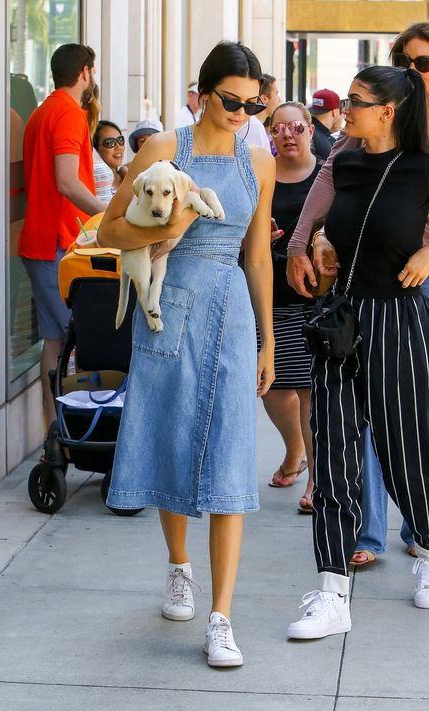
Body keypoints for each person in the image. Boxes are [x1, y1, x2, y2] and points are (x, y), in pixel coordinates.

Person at [97, 40, 275, 667]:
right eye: (231, 100)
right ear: (202, 94)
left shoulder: (261, 162)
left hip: (229, 314)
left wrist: (268, 337)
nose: (243, 112)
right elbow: (109, 229)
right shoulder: (163, 149)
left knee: (230, 455)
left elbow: (257, 256)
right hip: (168, 306)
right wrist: (168, 229)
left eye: (254, 102)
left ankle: (222, 617)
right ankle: (179, 567)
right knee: (172, 440)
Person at [287, 64, 429, 641]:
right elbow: (325, 225)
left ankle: (426, 551)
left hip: (398, 318)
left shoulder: (422, 166)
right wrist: (316, 243)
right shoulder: (343, 162)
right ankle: (332, 591)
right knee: (335, 453)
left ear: (388, 110)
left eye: (356, 101)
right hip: (342, 320)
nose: (345, 109)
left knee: (407, 450)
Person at [19, 44, 106, 428]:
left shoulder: (40, 113)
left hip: (41, 241)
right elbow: (67, 182)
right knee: (84, 340)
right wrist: (108, 217)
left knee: (55, 341)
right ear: (85, 72)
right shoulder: (70, 114)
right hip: (57, 242)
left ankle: (55, 431)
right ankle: (77, 431)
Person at [263, 102, 322, 514]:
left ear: (312, 128)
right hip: (271, 294)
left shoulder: (329, 173)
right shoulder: (261, 174)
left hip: (316, 298)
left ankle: (317, 479)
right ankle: (293, 451)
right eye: (278, 127)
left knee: (309, 391)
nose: (288, 134)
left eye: (296, 126)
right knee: (272, 389)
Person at [93, 120, 126, 200]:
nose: (118, 146)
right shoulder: (92, 186)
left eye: (120, 140)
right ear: (96, 149)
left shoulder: (128, 176)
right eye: (109, 142)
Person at [308, 88, 343, 161]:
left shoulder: (308, 132)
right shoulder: (312, 136)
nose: (343, 117)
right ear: (335, 112)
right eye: (341, 113)